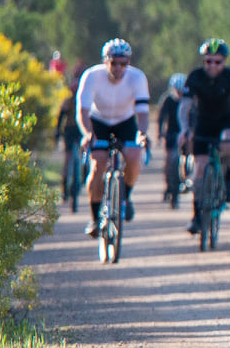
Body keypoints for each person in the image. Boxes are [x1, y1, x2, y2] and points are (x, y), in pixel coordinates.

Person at [76, 38, 150, 238]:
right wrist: (88, 134)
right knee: (98, 164)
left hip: (125, 121)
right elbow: (82, 112)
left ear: (129, 63)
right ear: (105, 61)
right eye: (113, 63)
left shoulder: (137, 77)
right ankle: (94, 218)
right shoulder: (91, 76)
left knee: (134, 157)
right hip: (98, 121)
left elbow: (142, 113)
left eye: (123, 64)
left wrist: (142, 133)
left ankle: (124, 196)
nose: (118, 68)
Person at [177, 39, 230, 233]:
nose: (213, 66)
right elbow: (185, 107)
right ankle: (197, 215)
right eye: (209, 61)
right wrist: (184, 129)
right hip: (204, 121)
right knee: (199, 170)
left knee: (229, 145)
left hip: (226, 121)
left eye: (217, 62)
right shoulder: (196, 77)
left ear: (224, 62)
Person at [158, 73, 186, 202]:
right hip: (171, 132)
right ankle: (168, 184)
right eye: (177, 90)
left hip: (184, 132)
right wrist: (160, 133)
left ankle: (186, 178)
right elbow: (161, 118)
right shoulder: (167, 100)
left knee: (187, 156)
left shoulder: (188, 100)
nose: (179, 93)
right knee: (170, 159)